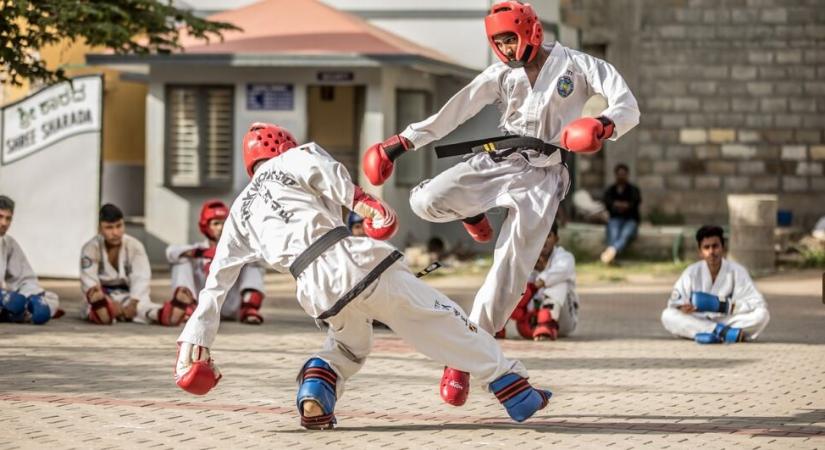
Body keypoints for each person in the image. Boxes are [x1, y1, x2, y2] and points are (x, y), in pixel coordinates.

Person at [174, 122, 553, 430]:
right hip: (349, 258)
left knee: (349, 345)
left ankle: (316, 393)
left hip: (314, 288)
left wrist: (195, 347)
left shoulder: (239, 211)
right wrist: (363, 201)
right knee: (439, 316)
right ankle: (514, 387)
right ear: (282, 146)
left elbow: (215, 285)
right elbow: (322, 171)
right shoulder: (294, 158)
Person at [361, 0, 639, 406]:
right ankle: (471, 210)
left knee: (508, 275)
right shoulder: (501, 76)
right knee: (426, 200)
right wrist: (401, 142)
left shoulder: (578, 66)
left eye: (511, 39)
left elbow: (626, 103)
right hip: (500, 160)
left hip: (544, 177)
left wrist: (603, 124)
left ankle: (463, 354)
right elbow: (454, 111)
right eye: (500, 42)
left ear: (532, 31)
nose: (507, 49)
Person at [660, 225, 770, 344]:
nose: (711, 252)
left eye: (715, 246)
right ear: (700, 252)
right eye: (706, 247)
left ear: (723, 248)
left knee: (762, 315)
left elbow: (758, 302)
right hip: (698, 319)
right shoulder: (691, 273)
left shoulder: (737, 271)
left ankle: (709, 332)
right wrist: (683, 307)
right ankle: (722, 332)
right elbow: (674, 303)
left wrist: (726, 306)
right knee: (667, 315)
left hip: (727, 320)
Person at [163, 200, 267, 326]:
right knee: (181, 261)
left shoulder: (238, 249)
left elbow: (262, 257)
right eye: (216, 223)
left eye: (224, 223)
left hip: (230, 307)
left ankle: (250, 308)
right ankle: (186, 306)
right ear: (205, 226)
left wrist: (238, 255)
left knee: (253, 264)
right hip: (200, 306)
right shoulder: (197, 249)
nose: (221, 227)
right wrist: (202, 253)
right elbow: (170, 252)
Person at [79, 204, 160, 325]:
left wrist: (133, 303)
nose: (115, 232)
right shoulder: (90, 248)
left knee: (144, 307)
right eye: (109, 228)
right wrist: (106, 301)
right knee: (92, 305)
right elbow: (90, 283)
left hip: (129, 297)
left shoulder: (135, 246)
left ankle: (161, 314)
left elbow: (142, 277)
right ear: (99, 229)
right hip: (102, 297)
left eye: (119, 226)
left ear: (124, 225)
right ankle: (104, 310)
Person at [499, 223, 578, 340]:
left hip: (563, 322)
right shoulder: (525, 260)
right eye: (540, 236)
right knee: (511, 284)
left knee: (560, 282)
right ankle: (497, 326)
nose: (543, 240)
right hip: (530, 321)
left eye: (548, 236)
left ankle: (546, 323)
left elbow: (562, 271)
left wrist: (533, 287)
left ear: (556, 239)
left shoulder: (564, 257)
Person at [0, 195, 60, 325]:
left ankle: (16, 312)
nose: (4, 223)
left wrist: (33, 298)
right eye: (0, 217)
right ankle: (14, 312)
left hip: (3, 298)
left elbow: (25, 278)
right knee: (12, 302)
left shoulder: (8, 243)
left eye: (8, 218)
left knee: (46, 304)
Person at [601, 163, 642, 264]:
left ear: (627, 175)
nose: (621, 176)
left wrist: (621, 205)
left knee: (625, 234)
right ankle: (612, 256)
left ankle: (611, 252)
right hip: (615, 218)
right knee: (613, 233)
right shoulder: (611, 190)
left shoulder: (633, 190)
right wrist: (620, 205)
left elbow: (634, 203)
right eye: (619, 174)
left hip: (630, 219)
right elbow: (608, 203)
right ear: (616, 175)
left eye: (623, 174)